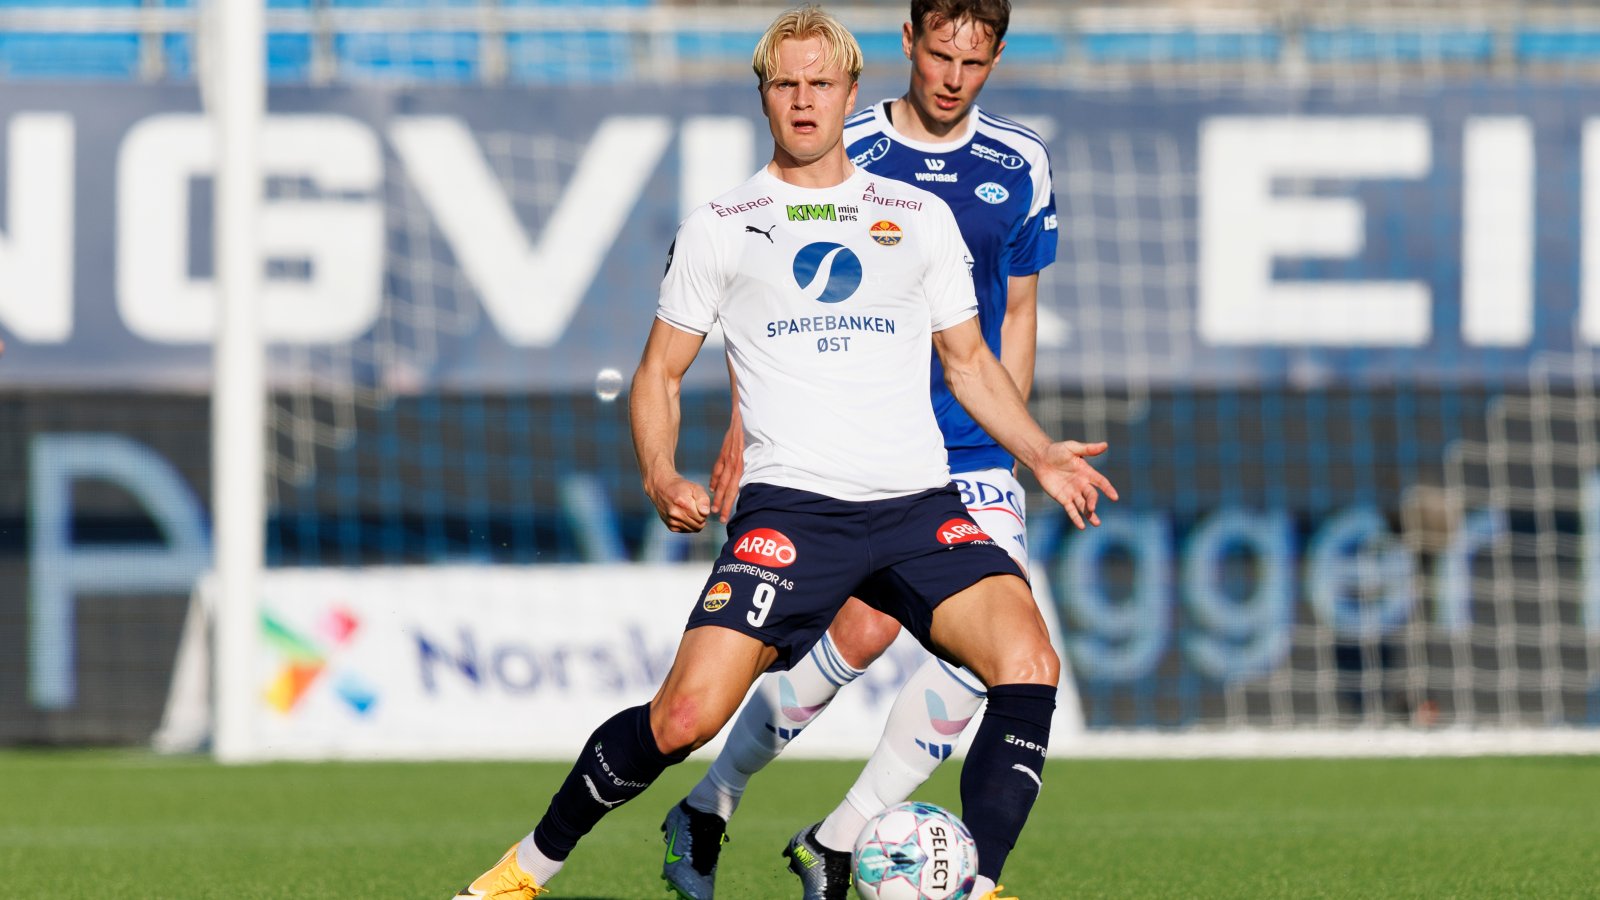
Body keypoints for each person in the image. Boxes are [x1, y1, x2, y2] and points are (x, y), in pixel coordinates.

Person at [452, 6, 1114, 899]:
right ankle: (522, 872)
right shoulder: (723, 224)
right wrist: (661, 471)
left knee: (1027, 662)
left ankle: (980, 886)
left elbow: (969, 362)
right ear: (764, 96)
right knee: (683, 717)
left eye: (820, 83)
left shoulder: (918, 216)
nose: (804, 101)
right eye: (786, 84)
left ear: (850, 90)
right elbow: (658, 374)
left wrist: (1040, 453)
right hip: (795, 511)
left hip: (920, 507)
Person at [660, 2, 1068, 898]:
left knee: (991, 659)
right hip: (848, 450)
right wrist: (741, 430)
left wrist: (1017, 446)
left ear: (997, 57)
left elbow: (1018, 311)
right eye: (939, 54)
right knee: (856, 633)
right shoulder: (851, 147)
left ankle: (841, 838)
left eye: (974, 61)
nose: (953, 77)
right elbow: (767, 299)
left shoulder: (1020, 161)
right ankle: (711, 801)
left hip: (970, 452)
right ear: (909, 44)